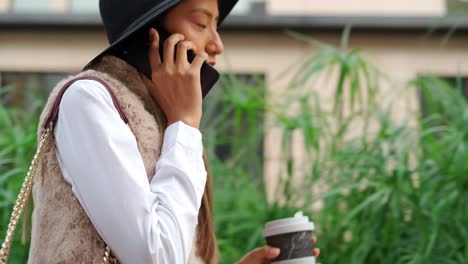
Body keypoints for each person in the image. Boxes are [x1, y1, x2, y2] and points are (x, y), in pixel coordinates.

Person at [27, 0, 320, 263]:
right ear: (151, 35)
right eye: (201, 23)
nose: (217, 44)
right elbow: (155, 256)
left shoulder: (159, 120)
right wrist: (185, 122)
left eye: (216, 26)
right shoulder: (90, 99)